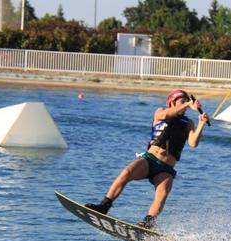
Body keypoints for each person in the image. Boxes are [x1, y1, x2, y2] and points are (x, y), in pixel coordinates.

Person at [86, 89, 210, 229]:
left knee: (163, 192)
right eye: (182, 101)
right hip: (150, 160)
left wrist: (201, 124)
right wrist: (188, 104)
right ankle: (104, 206)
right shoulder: (160, 112)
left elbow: (193, 143)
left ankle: (147, 223)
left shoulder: (188, 123)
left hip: (166, 168)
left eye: (187, 101)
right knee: (127, 172)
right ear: (172, 102)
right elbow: (165, 114)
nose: (186, 104)